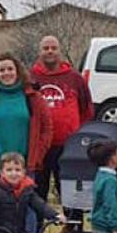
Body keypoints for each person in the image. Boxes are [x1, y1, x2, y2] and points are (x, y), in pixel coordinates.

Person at [0, 53, 54, 188]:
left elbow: (46, 129)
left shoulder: (33, 98)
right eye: (1, 70)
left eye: (10, 69)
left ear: (17, 71)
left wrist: (37, 156)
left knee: (25, 208)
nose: (6, 73)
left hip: (25, 167)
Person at [29, 36, 94, 200]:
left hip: (68, 145)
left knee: (70, 189)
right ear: (39, 52)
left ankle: (74, 225)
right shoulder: (30, 77)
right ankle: (37, 225)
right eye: (46, 48)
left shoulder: (74, 78)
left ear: (60, 51)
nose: (50, 51)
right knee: (38, 189)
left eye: (53, 48)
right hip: (40, 144)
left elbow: (86, 110)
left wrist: (80, 137)